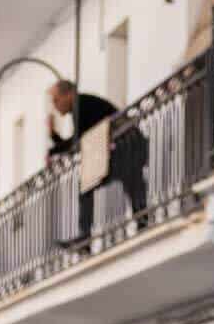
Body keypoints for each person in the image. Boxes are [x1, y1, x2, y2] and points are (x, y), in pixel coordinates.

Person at [48, 77, 148, 244]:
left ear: (69, 95)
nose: (55, 105)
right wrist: (54, 142)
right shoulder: (82, 104)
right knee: (128, 182)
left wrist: (53, 143)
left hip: (126, 146)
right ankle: (141, 220)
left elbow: (76, 143)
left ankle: (86, 236)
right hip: (127, 146)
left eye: (56, 99)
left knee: (91, 186)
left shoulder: (80, 105)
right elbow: (78, 142)